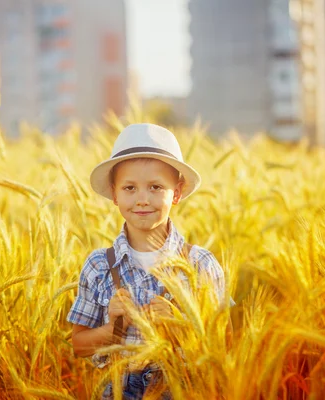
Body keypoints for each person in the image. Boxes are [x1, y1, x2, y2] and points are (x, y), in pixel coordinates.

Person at [66, 123, 234, 399]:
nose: (142, 199)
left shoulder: (200, 264)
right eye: (130, 188)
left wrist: (181, 327)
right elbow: (79, 344)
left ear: (176, 193)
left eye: (156, 187)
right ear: (114, 194)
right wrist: (113, 329)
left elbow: (224, 347)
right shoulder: (98, 265)